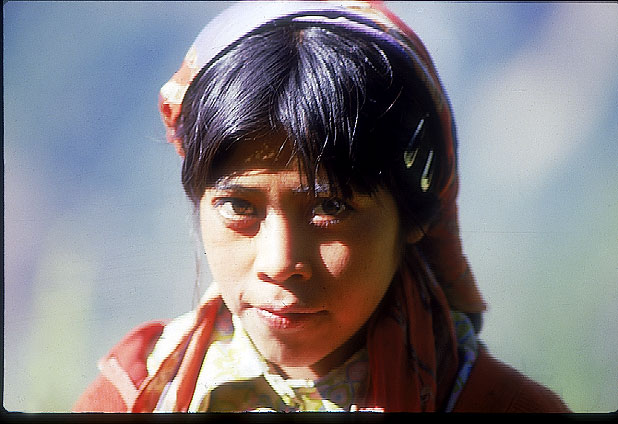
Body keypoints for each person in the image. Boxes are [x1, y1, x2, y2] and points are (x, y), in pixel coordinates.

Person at [73, 1, 570, 413]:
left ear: (415, 213)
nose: (279, 263)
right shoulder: (130, 398)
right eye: (238, 206)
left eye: (330, 206)